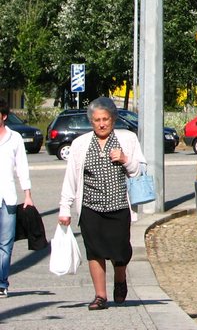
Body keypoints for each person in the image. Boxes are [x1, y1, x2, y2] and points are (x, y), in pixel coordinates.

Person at [58, 96, 146, 311]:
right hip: (90, 207)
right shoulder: (80, 144)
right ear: (91, 121)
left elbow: (140, 171)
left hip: (119, 206)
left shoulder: (127, 139)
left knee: (120, 251)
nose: (102, 124)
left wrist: (125, 159)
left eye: (105, 119)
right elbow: (71, 178)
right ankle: (100, 296)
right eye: (97, 120)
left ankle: (120, 278)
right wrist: (64, 208)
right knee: (94, 251)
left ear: (113, 119)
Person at [0, 99, 34, 299]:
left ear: (3, 116)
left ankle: (1, 283)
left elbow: (22, 167)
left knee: (6, 243)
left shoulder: (15, 138)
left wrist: (27, 194)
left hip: (8, 198)